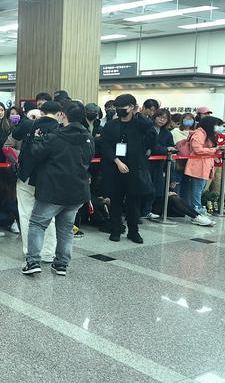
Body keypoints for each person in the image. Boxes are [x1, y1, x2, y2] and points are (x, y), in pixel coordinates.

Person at [20, 102, 94, 276]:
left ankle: (33, 262)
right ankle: (61, 264)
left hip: (53, 189)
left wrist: (37, 138)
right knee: (66, 229)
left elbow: (36, 153)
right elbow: (88, 159)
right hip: (77, 190)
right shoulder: (88, 137)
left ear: (63, 115)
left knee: (37, 224)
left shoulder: (55, 136)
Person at [98, 94, 154, 243]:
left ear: (131, 107)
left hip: (134, 169)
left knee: (133, 203)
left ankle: (133, 231)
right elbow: (105, 145)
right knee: (115, 201)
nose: (118, 110)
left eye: (121, 107)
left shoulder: (140, 124)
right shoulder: (111, 125)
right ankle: (115, 230)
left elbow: (151, 136)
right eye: (117, 107)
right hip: (115, 167)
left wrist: (139, 115)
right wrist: (117, 161)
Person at [8, 101, 62, 258]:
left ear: (41, 111)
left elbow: (14, 135)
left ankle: (30, 251)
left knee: (26, 214)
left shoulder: (29, 124)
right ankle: (48, 252)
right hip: (49, 178)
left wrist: (28, 119)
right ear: (60, 114)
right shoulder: (61, 129)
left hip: (27, 175)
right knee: (48, 216)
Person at [182, 115, 223, 225]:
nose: (217, 127)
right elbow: (198, 150)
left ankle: (198, 211)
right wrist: (214, 149)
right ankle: (196, 213)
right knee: (197, 190)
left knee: (199, 189)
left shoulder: (207, 134)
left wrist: (216, 149)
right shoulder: (199, 134)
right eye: (215, 125)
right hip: (198, 166)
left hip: (204, 165)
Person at [141, 108, 175, 220]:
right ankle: (141, 211)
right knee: (144, 186)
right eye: (160, 117)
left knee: (155, 187)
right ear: (155, 116)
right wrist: (164, 149)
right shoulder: (147, 129)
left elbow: (171, 147)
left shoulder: (167, 133)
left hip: (159, 164)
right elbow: (150, 146)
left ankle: (148, 210)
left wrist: (166, 149)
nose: (162, 120)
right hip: (145, 163)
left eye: (165, 118)